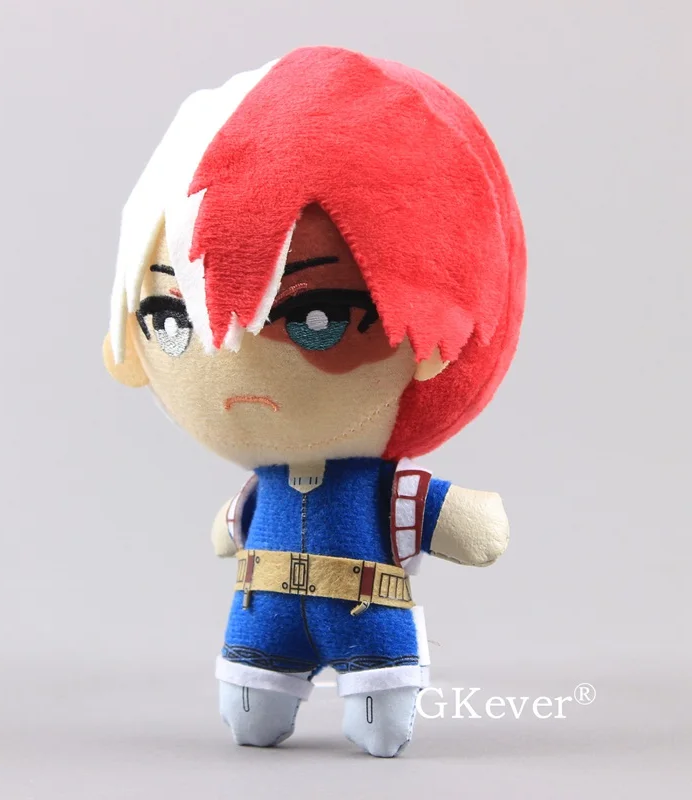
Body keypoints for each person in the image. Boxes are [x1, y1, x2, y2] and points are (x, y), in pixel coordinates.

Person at [104, 46, 526, 757]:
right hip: (259, 619)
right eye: (170, 319)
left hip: (369, 614)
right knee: (251, 715)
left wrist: (462, 517)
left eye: (316, 317)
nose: (231, 363)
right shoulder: (256, 493)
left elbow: (458, 525)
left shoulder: (381, 490)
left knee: (379, 723)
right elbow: (229, 531)